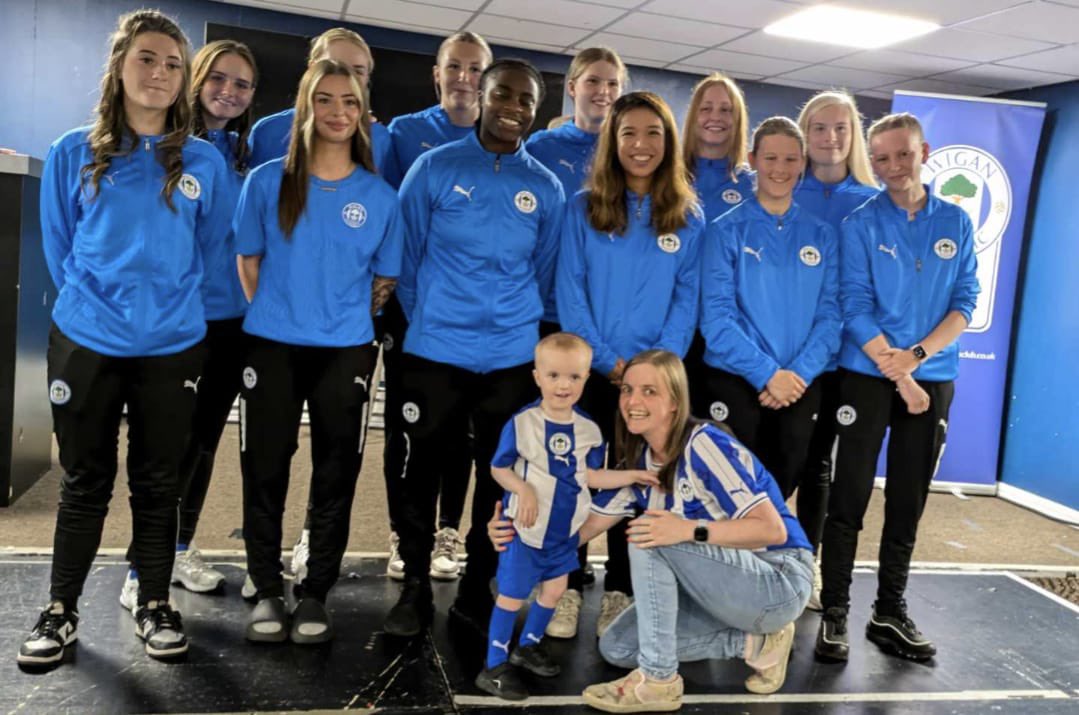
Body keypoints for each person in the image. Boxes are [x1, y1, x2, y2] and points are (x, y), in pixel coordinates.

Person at [18, 9, 231, 667]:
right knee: (85, 478)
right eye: (148, 58)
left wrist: (162, 311)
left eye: (173, 63)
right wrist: (102, 309)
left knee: (158, 479)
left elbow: (210, 251)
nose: (161, 72)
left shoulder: (205, 162)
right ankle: (60, 610)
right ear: (119, 65)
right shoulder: (70, 152)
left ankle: (154, 602)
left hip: (172, 347)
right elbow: (61, 247)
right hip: (87, 341)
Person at [490, 350, 814, 711]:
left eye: (649, 391)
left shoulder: (705, 444)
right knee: (617, 647)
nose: (633, 401)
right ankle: (755, 644)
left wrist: (689, 529)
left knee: (650, 533)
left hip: (778, 580)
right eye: (628, 390)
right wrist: (514, 532)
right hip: (717, 590)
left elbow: (771, 531)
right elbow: (575, 533)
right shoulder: (639, 468)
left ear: (675, 402)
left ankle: (659, 681)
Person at [382, 58, 564, 639]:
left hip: (510, 360)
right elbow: (404, 260)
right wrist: (431, 317)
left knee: (501, 478)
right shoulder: (434, 168)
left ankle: (476, 586)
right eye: (503, 95)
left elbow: (544, 271)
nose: (513, 108)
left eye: (526, 100)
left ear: (536, 110)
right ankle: (413, 588)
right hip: (435, 350)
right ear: (480, 97)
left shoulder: (544, 185)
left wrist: (516, 331)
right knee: (422, 471)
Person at [234, 58, 403, 644]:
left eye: (350, 102)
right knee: (265, 468)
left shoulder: (379, 196)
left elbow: (384, 283)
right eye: (326, 99)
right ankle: (263, 584)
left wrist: (338, 322)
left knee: (335, 472)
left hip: (345, 353)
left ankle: (314, 594)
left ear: (363, 115)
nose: (338, 112)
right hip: (271, 347)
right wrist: (282, 315)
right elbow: (248, 263)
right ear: (306, 105)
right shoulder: (265, 182)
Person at [815, 112, 979, 664]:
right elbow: (853, 305)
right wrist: (902, 376)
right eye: (880, 158)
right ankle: (835, 611)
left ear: (923, 150)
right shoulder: (860, 224)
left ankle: (888, 610)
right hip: (865, 375)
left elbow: (965, 302)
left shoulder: (954, 222)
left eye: (901, 155)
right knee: (849, 497)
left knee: (908, 501)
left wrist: (915, 362)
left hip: (930, 378)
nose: (891, 167)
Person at [557, 91, 703, 639]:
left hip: (652, 385)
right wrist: (609, 364)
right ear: (611, 142)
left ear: (668, 143)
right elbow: (570, 292)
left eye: (653, 134)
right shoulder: (582, 208)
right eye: (628, 134)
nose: (641, 146)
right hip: (591, 375)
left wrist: (649, 374)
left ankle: (622, 588)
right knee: (580, 480)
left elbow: (686, 301)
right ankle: (568, 585)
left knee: (640, 482)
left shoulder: (688, 217)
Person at [117, 39, 258, 609]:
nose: (229, 91)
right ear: (196, 80)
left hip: (234, 322)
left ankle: (175, 549)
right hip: (178, 322)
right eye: (219, 78)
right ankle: (139, 568)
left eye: (242, 84)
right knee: (164, 449)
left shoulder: (246, 152)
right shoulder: (165, 145)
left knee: (201, 445)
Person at [475, 332, 657, 700]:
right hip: (525, 532)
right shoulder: (523, 423)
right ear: (537, 376)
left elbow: (591, 477)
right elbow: (498, 468)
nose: (564, 385)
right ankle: (493, 667)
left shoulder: (589, 429)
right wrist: (523, 490)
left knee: (556, 590)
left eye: (574, 377)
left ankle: (527, 645)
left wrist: (632, 476)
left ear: (587, 378)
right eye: (554, 375)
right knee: (511, 597)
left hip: (562, 534)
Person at [381, 31, 493, 585]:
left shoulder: (501, 141)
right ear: (437, 72)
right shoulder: (405, 135)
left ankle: (449, 529)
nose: (465, 78)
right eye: (455, 67)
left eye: (475, 68)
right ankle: (405, 534)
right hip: (416, 311)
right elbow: (393, 226)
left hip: (478, 321)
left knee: (466, 432)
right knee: (410, 426)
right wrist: (413, 307)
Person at [524, 45, 627, 637]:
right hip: (552, 326)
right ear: (571, 86)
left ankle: (619, 584)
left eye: (613, 83)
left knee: (619, 464)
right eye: (593, 82)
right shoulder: (541, 149)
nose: (603, 92)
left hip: (610, 339)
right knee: (564, 461)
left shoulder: (624, 155)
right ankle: (562, 578)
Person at [698, 116, 841, 506]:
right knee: (732, 488)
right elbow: (716, 319)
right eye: (771, 157)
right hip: (737, 378)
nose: (780, 169)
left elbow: (831, 316)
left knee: (785, 480)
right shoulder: (726, 230)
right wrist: (767, 374)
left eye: (791, 159)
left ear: (803, 164)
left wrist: (795, 374)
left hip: (801, 381)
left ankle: (775, 564)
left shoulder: (822, 235)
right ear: (753, 160)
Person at [793, 90, 880, 611]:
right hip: (782, 356)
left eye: (841, 129)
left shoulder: (870, 199)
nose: (830, 138)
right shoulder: (781, 188)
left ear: (854, 137)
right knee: (772, 462)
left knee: (818, 466)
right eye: (820, 128)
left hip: (843, 360)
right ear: (805, 134)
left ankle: (807, 565)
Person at [248, 26, 396, 175]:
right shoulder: (269, 130)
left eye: (358, 71)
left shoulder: (378, 138)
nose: (345, 77)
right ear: (312, 68)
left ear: (367, 79)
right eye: (333, 66)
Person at [682, 72, 751, 222]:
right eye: (706, 109)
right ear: (693, 116)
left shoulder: (752, 186)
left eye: (725, 110)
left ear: (737, 120)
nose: (715, 117)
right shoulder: (668, 176)